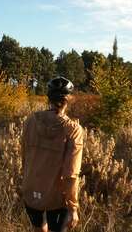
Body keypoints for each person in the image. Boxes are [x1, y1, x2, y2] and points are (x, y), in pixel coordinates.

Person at [21, 77, 84, 232]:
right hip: (56, 199)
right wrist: (73, 207)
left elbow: (25, 157)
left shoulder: (30, 121)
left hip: (31, 192)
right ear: (69, 99)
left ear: (48, 97)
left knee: (39, 228)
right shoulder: (74, 130)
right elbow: (71, 174)